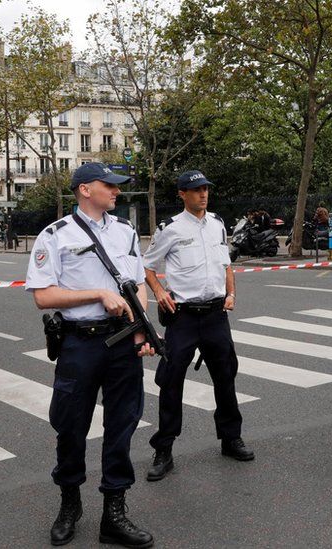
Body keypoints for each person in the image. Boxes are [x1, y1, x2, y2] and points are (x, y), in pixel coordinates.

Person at [25, 162, 155, 548]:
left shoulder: (126, 231)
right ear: (84, 190)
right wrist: (97, 294)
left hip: (122, 341)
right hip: (79, 343)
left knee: (122, 424)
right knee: (71, 426)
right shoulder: (55, 235)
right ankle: (70, 503)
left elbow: (136, 283)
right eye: (109, 186)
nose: (116, 192)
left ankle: (114, 513)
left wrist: (142, 330)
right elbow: (43, 296)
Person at [143, 170, 253, 483]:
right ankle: (163, 449)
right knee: (171, 380)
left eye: (205, 189)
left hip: (216, 314)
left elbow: (226, 264)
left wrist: (231, 292)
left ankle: (231, 439)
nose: (203, 194)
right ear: (182, 194)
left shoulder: (218, 223)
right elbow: (148, 267)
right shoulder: (170, 228)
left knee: (226, 376)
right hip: (184, 316)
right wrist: (160, 292)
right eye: (196, 190)